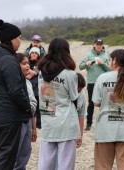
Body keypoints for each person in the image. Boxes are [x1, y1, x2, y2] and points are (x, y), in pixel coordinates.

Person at [0, 19, 31, 169]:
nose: (20, 40)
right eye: (18, 37)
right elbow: (16, 90)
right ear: (11, 39)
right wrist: (27, 108)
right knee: (4, 161)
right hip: (8, 118)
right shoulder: (7, 60)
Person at [92, 49, 124, 170]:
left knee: (102, 166)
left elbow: (96, 102)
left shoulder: (102, 78)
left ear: (114, 60)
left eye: (110, 59)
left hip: (105, 128)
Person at [37, 38, 81, 170]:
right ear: (66, 52)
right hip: (66, 121)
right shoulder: (70, 74)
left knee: (46, 161)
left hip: (48, 118)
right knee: (65, 163)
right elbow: (74, 96)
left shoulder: (41, 73)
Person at [79, 38, 110, 131]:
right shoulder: (88, 54)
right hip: (92, 82)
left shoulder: (106, 55)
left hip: (104, 83)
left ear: (102, 45)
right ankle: (88, 124)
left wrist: (103, 63)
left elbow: (109, 69)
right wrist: (86, 64)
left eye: (100, 44)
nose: (99, 46)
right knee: (91, 104)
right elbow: (80, 67)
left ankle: (104, 123)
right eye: (97, 44)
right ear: (94, 45)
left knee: (104, 103)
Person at [14, 53, 37, 170]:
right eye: (24, 64)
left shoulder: (28, 82)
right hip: (18, 122)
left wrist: (33, 128)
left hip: (28, 122)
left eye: (28, 63)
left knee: (25, 154)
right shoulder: (15, 83)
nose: (28, 66)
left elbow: (31, 106)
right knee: (15, 155)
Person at [26, 46, 42, 129]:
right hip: (28, 88)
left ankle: (39, 124)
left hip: (37, 89)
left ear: (38, 55)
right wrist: (31, 72)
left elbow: (40, 73)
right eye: (32, 53)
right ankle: (32, 125)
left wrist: (33, 73)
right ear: (30, 54)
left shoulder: (40, 63)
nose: (34, 54)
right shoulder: (26, 63)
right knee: (31, 107)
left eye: (36, 53)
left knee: (39, 108)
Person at [76, 72, 87, 148]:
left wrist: (80, 136)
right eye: (78, 89)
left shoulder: (82, 94)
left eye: (81, 89)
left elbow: (81, 115)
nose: (80, 91)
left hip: (73, 128)